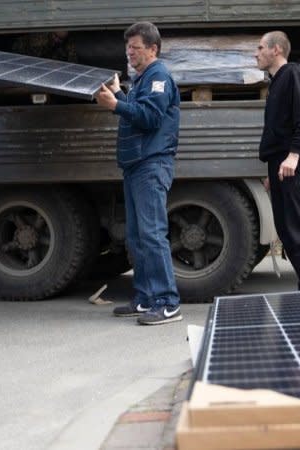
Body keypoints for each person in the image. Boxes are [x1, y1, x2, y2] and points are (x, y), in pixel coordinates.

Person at [95, 22, 182, 325]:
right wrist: (121, 94)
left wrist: (116, 104)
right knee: (136, 236)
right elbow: (138, 108)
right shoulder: (142, 78)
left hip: (151, 164)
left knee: (152, 234)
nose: (129, 52)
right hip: (135, 167)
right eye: (127, 47)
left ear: (153, 49)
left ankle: (167, 303)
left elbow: (151, 117)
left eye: (135, 47)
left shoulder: (159, 76)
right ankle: (145, 298)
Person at [255, 31, 300, 290]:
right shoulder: (276, 83)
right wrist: (273, 173)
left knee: (299, 229)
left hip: (293, 162)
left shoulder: (293, 74)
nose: (256, 54)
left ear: (276, 50)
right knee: (285, 229)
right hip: (279, 166)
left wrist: (294, 155)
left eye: (260, 48)